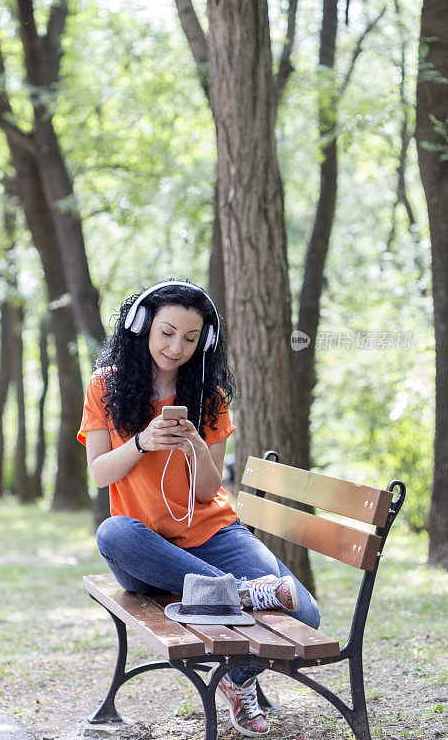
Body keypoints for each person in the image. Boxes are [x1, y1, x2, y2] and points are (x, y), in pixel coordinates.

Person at [78, 280, 320, 737]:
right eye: (167, 332)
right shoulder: (104, 387)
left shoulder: (210, 397)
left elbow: (209, 492)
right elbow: (99, 474)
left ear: (204, 342)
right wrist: (142, 442)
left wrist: (196, 449)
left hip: (214, 535)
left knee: (305, 614)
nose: (176, 347)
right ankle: (244, 593)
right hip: (147, 553)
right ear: (142, 326)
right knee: (113, 533)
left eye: (191, 339)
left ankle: (236, 678)